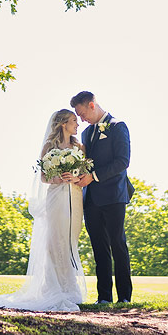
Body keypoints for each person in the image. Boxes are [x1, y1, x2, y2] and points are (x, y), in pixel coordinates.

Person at [0, 109, 87, 311]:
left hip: (74, 197)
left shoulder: (79, 147)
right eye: (74, 120)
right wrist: (57, 178)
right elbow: (43, 177)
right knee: (54, 241)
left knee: (70, 240)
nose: (77, 124)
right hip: (55, 196)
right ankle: (56, 288)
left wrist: (74, 178)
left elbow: (83, 175)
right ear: (63, 124)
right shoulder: (49, 147)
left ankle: (70, 286)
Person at [71, 90, 132, 304]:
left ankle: (124, 297)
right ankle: (104, 297)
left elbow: (122, 162)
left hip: (114, 195)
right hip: (91, 199)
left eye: (81, 113)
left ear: (92, 104)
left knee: (118, 243)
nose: (81, 119)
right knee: (99, 247)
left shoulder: (118, 126)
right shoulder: (87, 134)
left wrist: (93, 177)